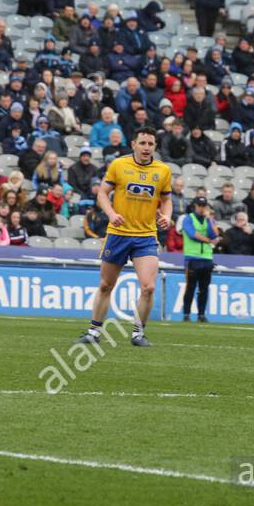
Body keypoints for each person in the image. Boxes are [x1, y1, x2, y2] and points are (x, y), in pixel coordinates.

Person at [76, 129, 172, 348]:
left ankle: (138, 333)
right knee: (105, 285)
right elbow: (102, 193)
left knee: (148, 287)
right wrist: (111, 214)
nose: (147, 147)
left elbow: (166, 200)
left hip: (146, 236)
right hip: (118, 234)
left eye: (151, 143)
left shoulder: (163, 171)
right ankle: (94, 331)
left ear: (155, 146)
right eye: (143, 143)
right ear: (134, 144)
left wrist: (166, 216)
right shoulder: (119, 165)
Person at [180, 196, 219, 322]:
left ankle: (201, 315)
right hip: (192, 257)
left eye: (204, 206)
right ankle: (186, 314)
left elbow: (214, 234)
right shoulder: (188, 219)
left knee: (204, 288)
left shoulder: (208, 220)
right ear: (195, 206)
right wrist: (208, 240)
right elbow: (192, 234)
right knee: (190, 287)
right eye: (200, 205)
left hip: (207, 257)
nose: (202, 208)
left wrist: (209, 219)